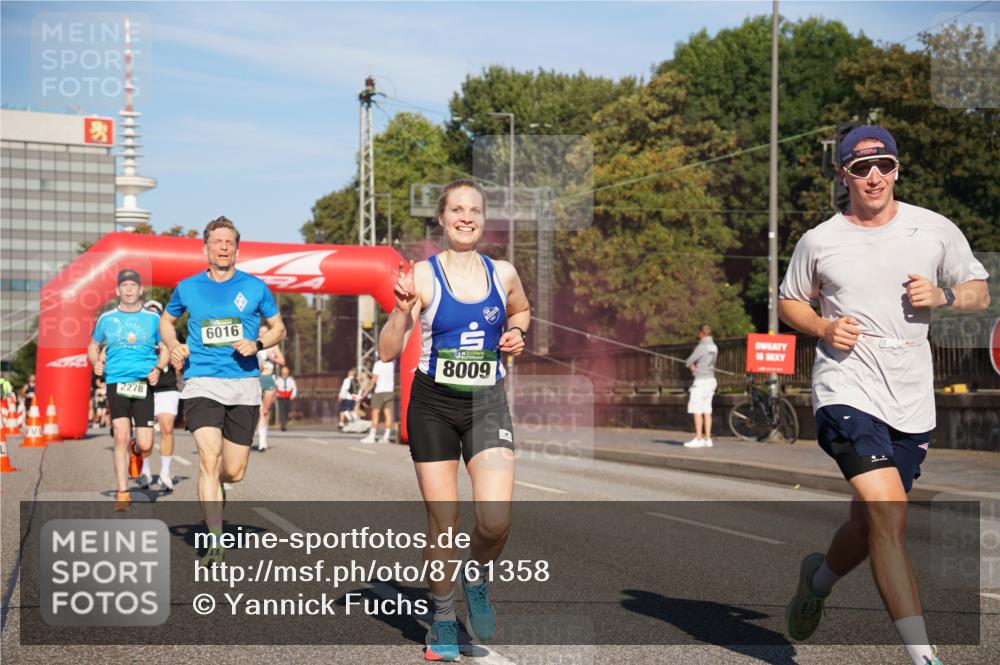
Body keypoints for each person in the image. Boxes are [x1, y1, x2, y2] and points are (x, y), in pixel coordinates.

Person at [778, 126, 990, 665]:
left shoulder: (933, 228)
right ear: (843, 175)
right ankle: (924, 657)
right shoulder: (820, 240)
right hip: (845, 387)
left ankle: (817, 582)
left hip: (911, 399)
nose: (874, 177)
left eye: (885, 166)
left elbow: (980, 291)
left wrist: (943, 294)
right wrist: (823, 328)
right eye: (861, 168)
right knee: (888, 514)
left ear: (897, 169)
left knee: (868, 522)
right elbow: (790, 301)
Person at [378, 179, 530, 661]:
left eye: (475, 210)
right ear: (442, 219)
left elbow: (521, 311)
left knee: (496, 521)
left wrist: (516, 332)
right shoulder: (422, 276)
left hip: (487, 403)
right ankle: (443, 618)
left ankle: (476, 576)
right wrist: (401, 312)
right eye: (457, 210)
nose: (466, 217)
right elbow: (387, 351)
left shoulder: (503, 273)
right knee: (444, 521)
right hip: (434, 407)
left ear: (484, 219)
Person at [159, 216, 285, 564]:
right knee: (208, 458)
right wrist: (174, 344)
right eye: (218, 242)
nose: (224, 247)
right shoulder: (188, 287)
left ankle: (219, 488)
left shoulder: (255, 287)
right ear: (205, 249)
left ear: (237, 250)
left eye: (230, 242)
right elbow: (166, 321)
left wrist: (257, 343)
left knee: (234, 471)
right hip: (201, 381)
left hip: (244, 383)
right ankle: (215, 538)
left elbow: (278, 328)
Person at [87, 269, 167, 511]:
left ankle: (136, 450)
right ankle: (123, 492)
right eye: (125, 285)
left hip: (143, 382)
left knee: (146, 444)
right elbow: (93, 345)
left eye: (133, 285)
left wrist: (159, 369)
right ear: (117, 290)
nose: (129, 289)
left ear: (140, 289)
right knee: (120, 435)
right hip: (116, 380)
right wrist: (96, 362)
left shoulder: (153, 319)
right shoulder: (106, 318)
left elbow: (165, 348)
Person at [143, 299, 180, 491]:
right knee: (145, 434)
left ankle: (165, 472)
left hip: (167, 387)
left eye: (156, 313)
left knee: (167, 428)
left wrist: (179, 362)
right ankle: (145, 470)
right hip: (144, 388)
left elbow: (180, 360)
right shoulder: (139, 335)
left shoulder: (171, 334)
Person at [683, 324, 718, 448]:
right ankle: (707, 439)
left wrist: (693, 368)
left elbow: (689, 361)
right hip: (711, 380)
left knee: (696, 409)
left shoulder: (701, 346)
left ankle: (698, 438)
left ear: (701, 333)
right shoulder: (714, 346)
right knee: (707, 410)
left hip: (701, 381)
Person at [254, 323, 285, 452]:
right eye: (261, 332)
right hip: (257, 378)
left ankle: (262, 441)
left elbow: (282, 361)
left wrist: (273, 358)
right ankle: (256, 437)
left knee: (265, 411)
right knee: (257, 410)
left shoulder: (273, 345)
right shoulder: (254, 344)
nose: (262, 334)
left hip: (268, 378)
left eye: (265, 332)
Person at [360, 357, 395, 444]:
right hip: (389, 391)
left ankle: (372, 436)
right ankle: (386, 437)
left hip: (379, 391)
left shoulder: (378, 364)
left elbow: (373, 380)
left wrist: (365, 391)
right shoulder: (392, 363)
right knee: (388, 414)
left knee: (375, 414)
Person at [274, 365, 297, 431]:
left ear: (288, 372)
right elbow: (275, 387)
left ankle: (285, 423)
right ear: (281, 372)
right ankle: (283, 425)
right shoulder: (278, 379)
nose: (284, 372)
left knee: (286, 411)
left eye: (286, 371)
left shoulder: (291, 380)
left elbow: (294, 388)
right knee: (281, 411)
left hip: (288, 397)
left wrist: (293, 395)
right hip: (280, 397)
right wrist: (276, 395)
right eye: (283, 371)